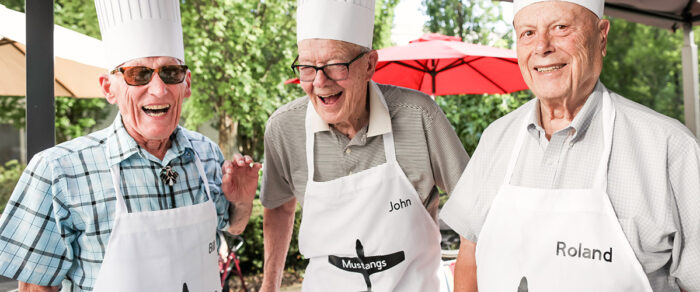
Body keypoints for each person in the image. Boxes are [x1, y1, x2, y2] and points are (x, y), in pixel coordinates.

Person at [0, 0, 261, 291]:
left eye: (170, 73)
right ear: (109, 88)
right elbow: (36, 287)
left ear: (186, 84)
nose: (159, 89)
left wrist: (242, 201)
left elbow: (232, 227)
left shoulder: (207, 154)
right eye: (138, 74)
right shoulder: (58, 170)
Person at [440, 0, 700, 291]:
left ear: (602, 37)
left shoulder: (670, 148)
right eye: (527, 33)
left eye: (561, 28)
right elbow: (469, 255)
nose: (542, 47)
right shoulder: (495, 138)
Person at [259, 1, 469, 291]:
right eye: (307, 67)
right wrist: (269, 287)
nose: (320, 82)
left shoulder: (419, 116)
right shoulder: (284, 129)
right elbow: (280, 208)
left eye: (335, 65)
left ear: (370, 64)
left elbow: (475, 213)